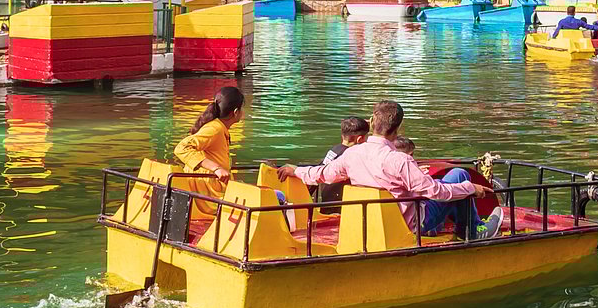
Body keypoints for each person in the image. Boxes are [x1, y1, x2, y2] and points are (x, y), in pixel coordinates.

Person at [279, 101, 502, 241]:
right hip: (410, 223)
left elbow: (322, 174)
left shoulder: (353, 154)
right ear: (397, 130)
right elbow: (434, 192)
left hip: (373, 218)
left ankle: (465, 224)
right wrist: (469, 188)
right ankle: (471, 232)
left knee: (455, 183)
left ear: (371, 123)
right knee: (459, 176)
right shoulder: (399, 160)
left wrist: (295, 170)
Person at [174, 86, 246, 180]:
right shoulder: (215, 129)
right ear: (236, 112)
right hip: (206, 189)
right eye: (242, 108)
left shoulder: (219, 127)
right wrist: (216, 168)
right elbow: (182, 148)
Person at [315, 114, 369, 206]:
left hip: (327, 203)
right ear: (360, 139)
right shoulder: (350, 155)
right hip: (340, 208)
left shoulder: (334, 150)